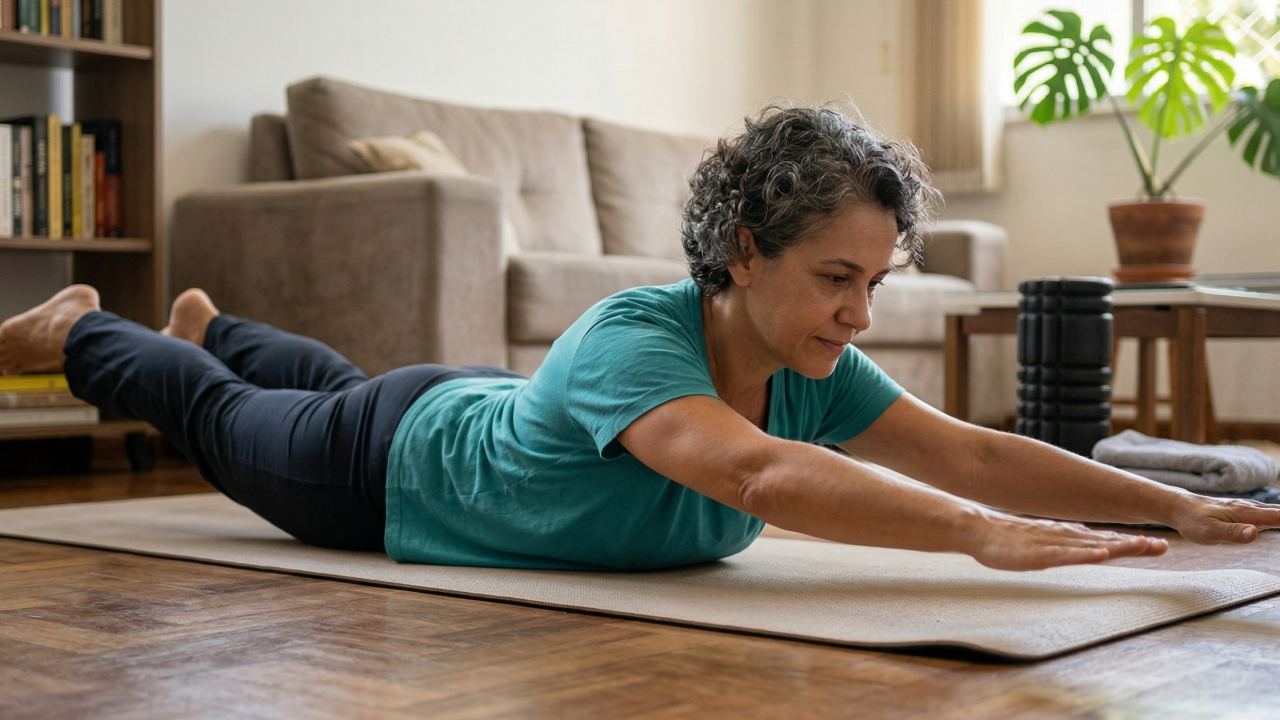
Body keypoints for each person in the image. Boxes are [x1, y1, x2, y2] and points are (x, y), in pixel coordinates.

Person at [2, 105, 1277, 572]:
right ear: (742, 253)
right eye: (835, 278)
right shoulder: (635, 339)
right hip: (385, 470)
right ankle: (87, 326)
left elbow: (977, 453)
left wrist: (1171, 507)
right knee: (221, 418)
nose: (858, 314)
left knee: (320, 379)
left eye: (875, 282)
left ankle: (217, 325)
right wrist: (972, 536)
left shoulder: (811, 367)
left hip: (456, 401)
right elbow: (754, 476)